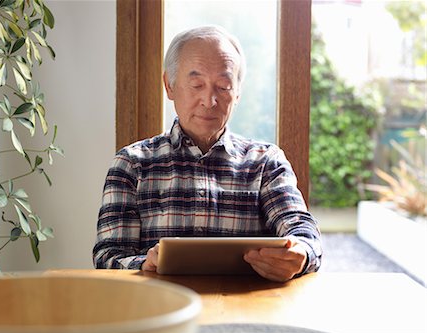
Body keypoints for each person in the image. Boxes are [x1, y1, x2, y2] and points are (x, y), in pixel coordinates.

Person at [93, 25, 322, 282]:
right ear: (169, 85)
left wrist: (299, 254)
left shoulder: (265, 162)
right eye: (196, 84)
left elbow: (302, 231)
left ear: (237, 93)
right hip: (159, 311)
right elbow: (108, 256)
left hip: (245, 311)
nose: (209, 100)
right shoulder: (132, 164)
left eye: (223, 87)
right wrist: (145, 262)